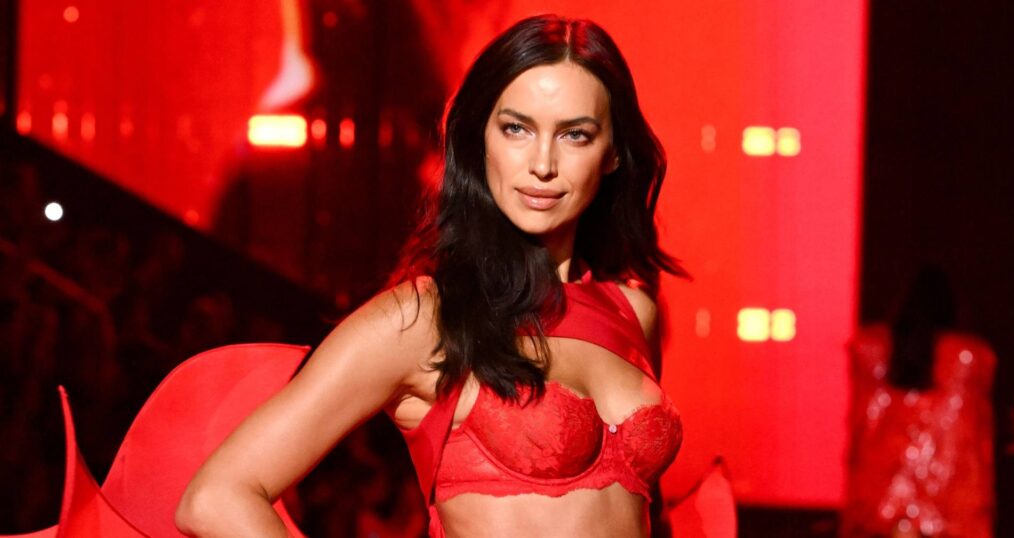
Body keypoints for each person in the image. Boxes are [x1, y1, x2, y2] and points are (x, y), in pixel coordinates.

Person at [176, 14, 686, 538]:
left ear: (613, 153)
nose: (542, 163)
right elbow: (216, 497)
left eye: (575, 135)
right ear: (479, 138)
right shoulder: (423, 319)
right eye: (516, 128)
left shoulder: (633, 311)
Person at [843, 267, 995, 537]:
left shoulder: (872, 355)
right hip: (950, 516)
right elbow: (971, 453)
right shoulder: (968, 360)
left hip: (876, 510)